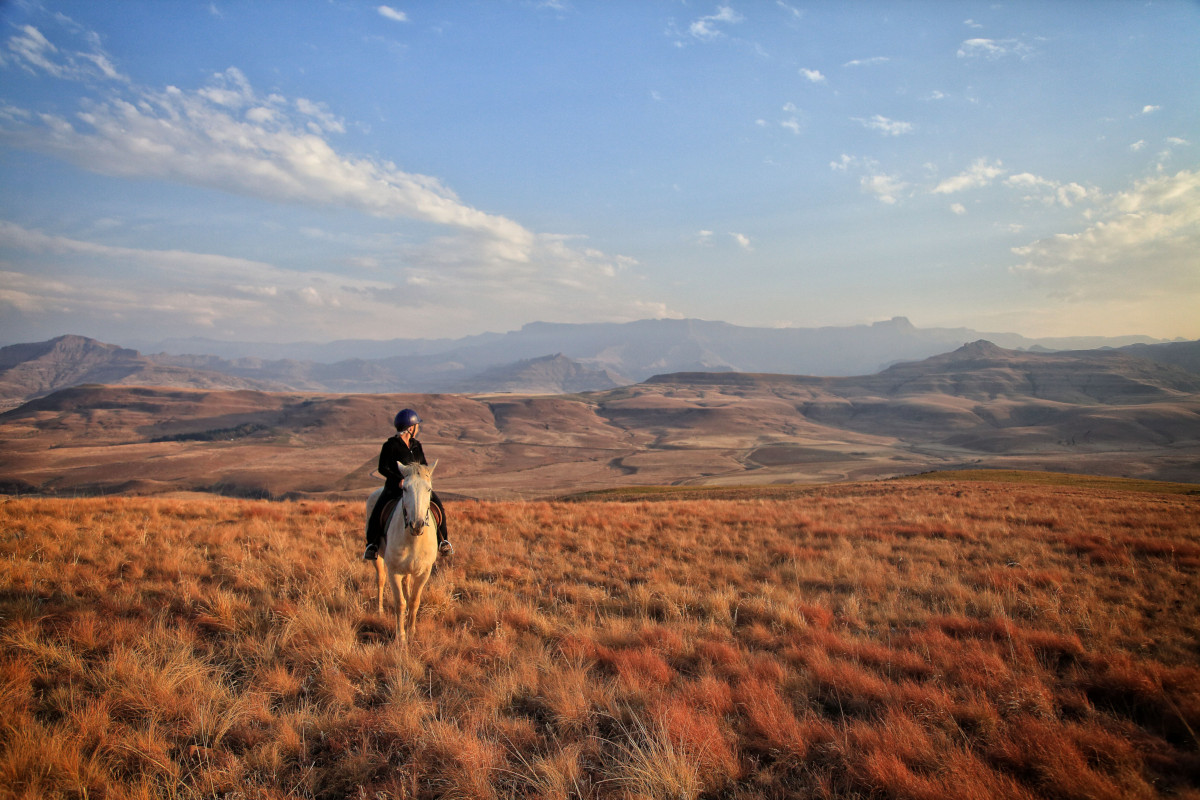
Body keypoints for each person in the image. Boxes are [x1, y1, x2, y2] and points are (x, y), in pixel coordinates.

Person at [362, 408, 454, 560]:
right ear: (411, 428)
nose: (418, 429)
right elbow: (382, 468)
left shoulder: (416, 445)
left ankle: (443, 541)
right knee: (378, 511)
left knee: (438, 507)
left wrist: (425, 478)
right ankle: (372, 545)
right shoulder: (390, 445)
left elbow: (423, 465)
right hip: (395, 488)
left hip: (417, 488)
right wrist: (397, 480)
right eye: (417, 426)